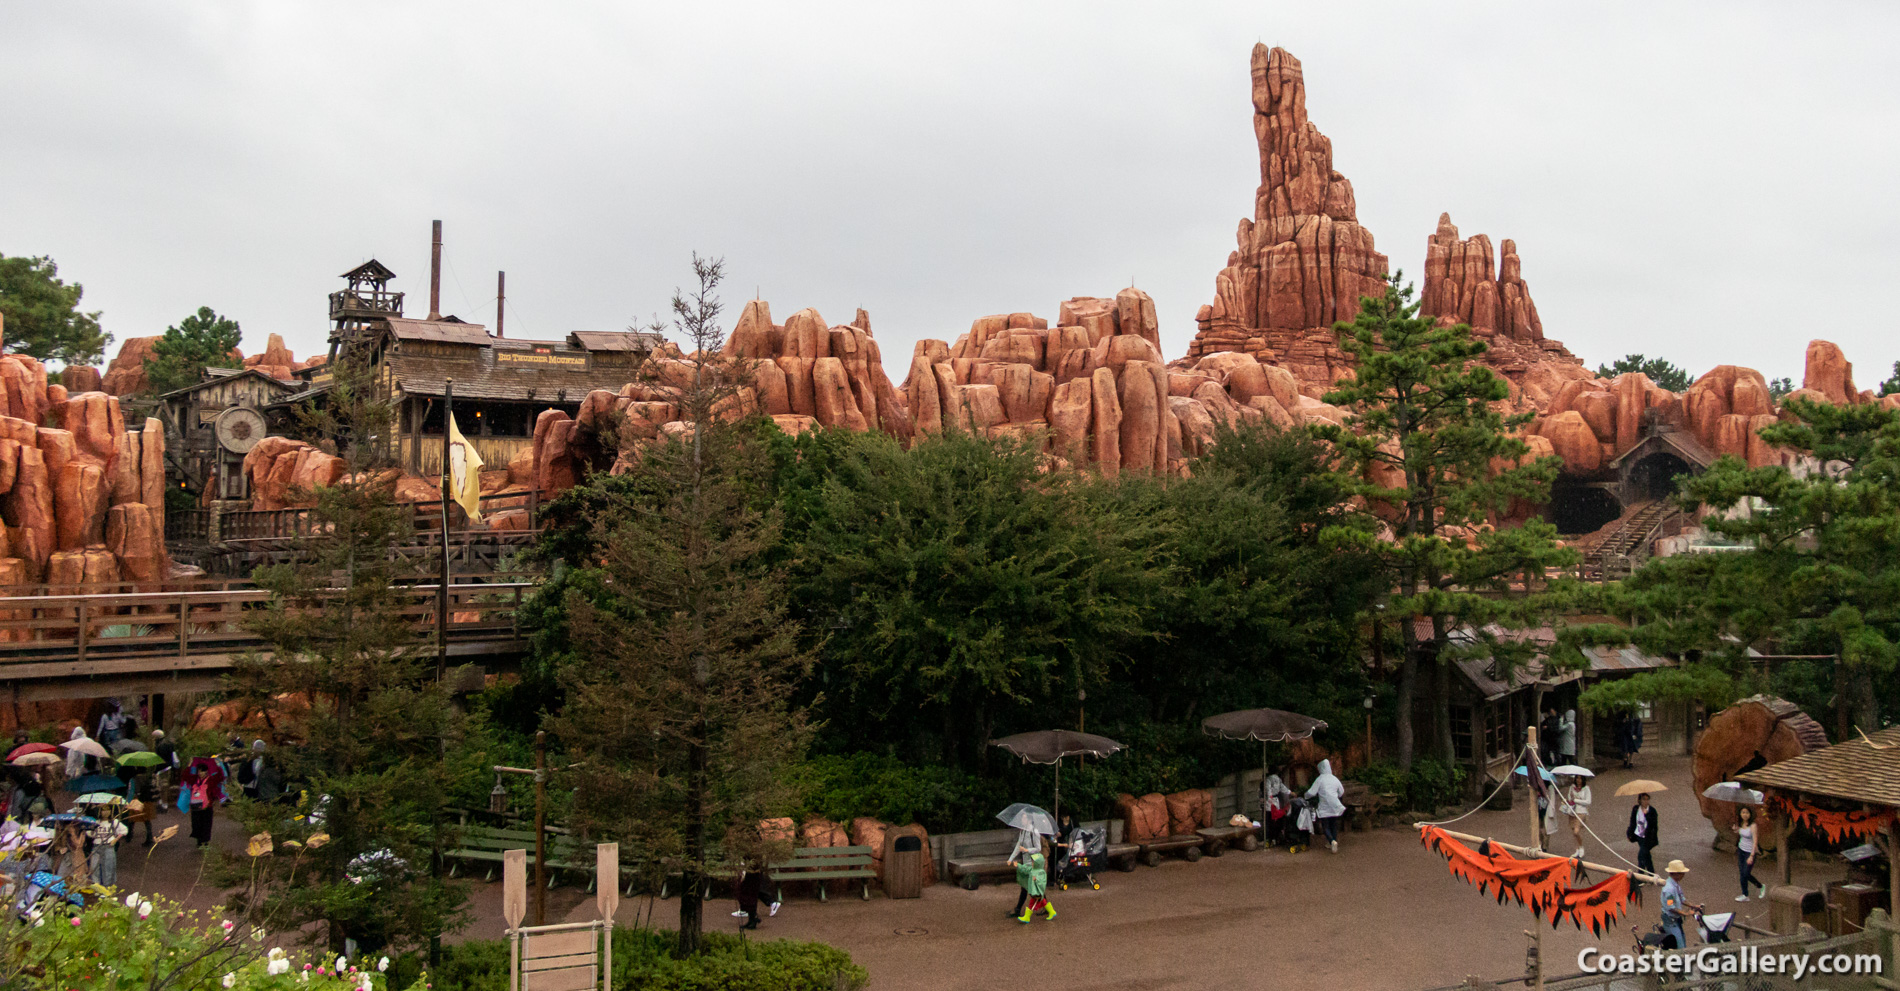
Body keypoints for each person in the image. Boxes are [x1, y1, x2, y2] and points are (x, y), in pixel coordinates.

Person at [181, 756, 226, 848]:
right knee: (196, 824)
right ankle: (199, 840)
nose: (200, 773)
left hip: (207, 806)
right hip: (196, 806)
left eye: (202, 771)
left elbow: (220, 777)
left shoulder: (210, 780)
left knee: (206, 824)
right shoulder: (194, 779)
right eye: (199, 771)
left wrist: (218, 764)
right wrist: (189, 765)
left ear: (206, 771)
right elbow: (185, 776)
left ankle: (205, 841)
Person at [1305, 759, 1346, 853]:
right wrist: (1336, 796)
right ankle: (1334, 841)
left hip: (1324, 806)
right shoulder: (1334, 778)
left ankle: (1331, 841)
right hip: (1335, 805)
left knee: (1325, 825)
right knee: (1334, 824)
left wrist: (1305, 795)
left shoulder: (1320, 779)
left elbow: (1312, 792)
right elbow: (1341, 791)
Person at [1659, 860, 1702, 949]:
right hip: (1670, 920)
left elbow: (1682, 899)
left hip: (1676, 919)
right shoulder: (1669, 889)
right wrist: (1686, 913)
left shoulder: (1676, 885)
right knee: (1680, 946)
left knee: (1682, 941)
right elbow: (1670, 907)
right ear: (1676, 874)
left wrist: (1693, 906)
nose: (1684, 875)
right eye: (1682, 873)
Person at [87, 807, 128, 888]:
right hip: (96, 846)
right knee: (94, 867)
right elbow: (89, 833)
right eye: (103, 810)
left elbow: (124, 830)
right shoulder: (96, 822)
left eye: (107, 810)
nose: (105, 812)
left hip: (108, 846)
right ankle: (97, 887)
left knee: (108, 867)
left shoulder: (114, 822)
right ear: (99, 812)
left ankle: (107, 887)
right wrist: (92, 831)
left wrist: (116, 839)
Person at [1734, 806, 1767, 902]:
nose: (1745, 814)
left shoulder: (1753, 826)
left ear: (1750, 814)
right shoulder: (1740, 824)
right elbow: (1740, 834)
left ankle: (1760, 886)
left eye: (1747, 812)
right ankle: (1745, 894)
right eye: (1743, 812)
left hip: (1749, 852)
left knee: (1745, 873)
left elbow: (1755, 841)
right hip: (1741, 850)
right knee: (1742, 873)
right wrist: (1736, 830)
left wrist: (1752, 856)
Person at [734, 858, 776, 930]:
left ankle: (753, 919)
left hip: (754, 870)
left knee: (751, 893)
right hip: (750, 869)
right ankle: (751, 918)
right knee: (746, 892)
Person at [1014, 850, 1053, 923]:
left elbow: (1042, 881)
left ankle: (1027, 917)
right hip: (1034, 891)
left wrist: (1036, 880)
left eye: (1033, 862)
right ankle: (1052, 911)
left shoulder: (1041, 872)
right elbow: (1025, 869)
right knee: (1043, 901)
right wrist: (1018, 865)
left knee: (1032, 903)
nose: (1032, 863)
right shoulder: (1032, 869)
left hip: (1037, 891)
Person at [1626, 791, 1660, 875]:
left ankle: (1640, 877)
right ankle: (1651, 874)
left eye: (1647, 799)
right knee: (1646, 856)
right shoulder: (1636, 809)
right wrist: (1629, 833)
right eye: (1644, 799)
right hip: (1639, 836)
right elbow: (1633, 822)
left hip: (1648, 838)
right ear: (1640, 800)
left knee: (1641, 856)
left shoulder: (1652, 811)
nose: (1646, 802)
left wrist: (1647, 815)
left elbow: (1654, 825)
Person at [1559, 774, 1592, 857]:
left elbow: (1588, 801)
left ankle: (1581, 847)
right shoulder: (1572, 787)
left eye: (1580, 778)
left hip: (1581, 812)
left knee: (1576, 831)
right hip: (1572, 811)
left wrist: (1576, 800)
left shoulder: (1586, 789)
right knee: (1573, 831)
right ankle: (1577, 849)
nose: (1578, 780)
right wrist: (1570, 798)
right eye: (1577, 778)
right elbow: (1570, 799)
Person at [1262, 773, 1295, 847]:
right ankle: (1275, 838)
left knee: (1269, 821)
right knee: (1276, 820)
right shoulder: (1278, 779)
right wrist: (1291, 792)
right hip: (1276, 801)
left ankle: (1269, 840)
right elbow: (1283, 788)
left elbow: (1268, 790)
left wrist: (1270, 799)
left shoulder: (1268, 780)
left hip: (1270, 802)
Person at [152, 729, 178, 812]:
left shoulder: (160, 746)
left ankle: (163, 804)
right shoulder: (169, 744)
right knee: (164, 786)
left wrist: (155, 770)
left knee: (161, 786)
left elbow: (159, 759)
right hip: (168, 767)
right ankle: (164, 804)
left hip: (162, 769)